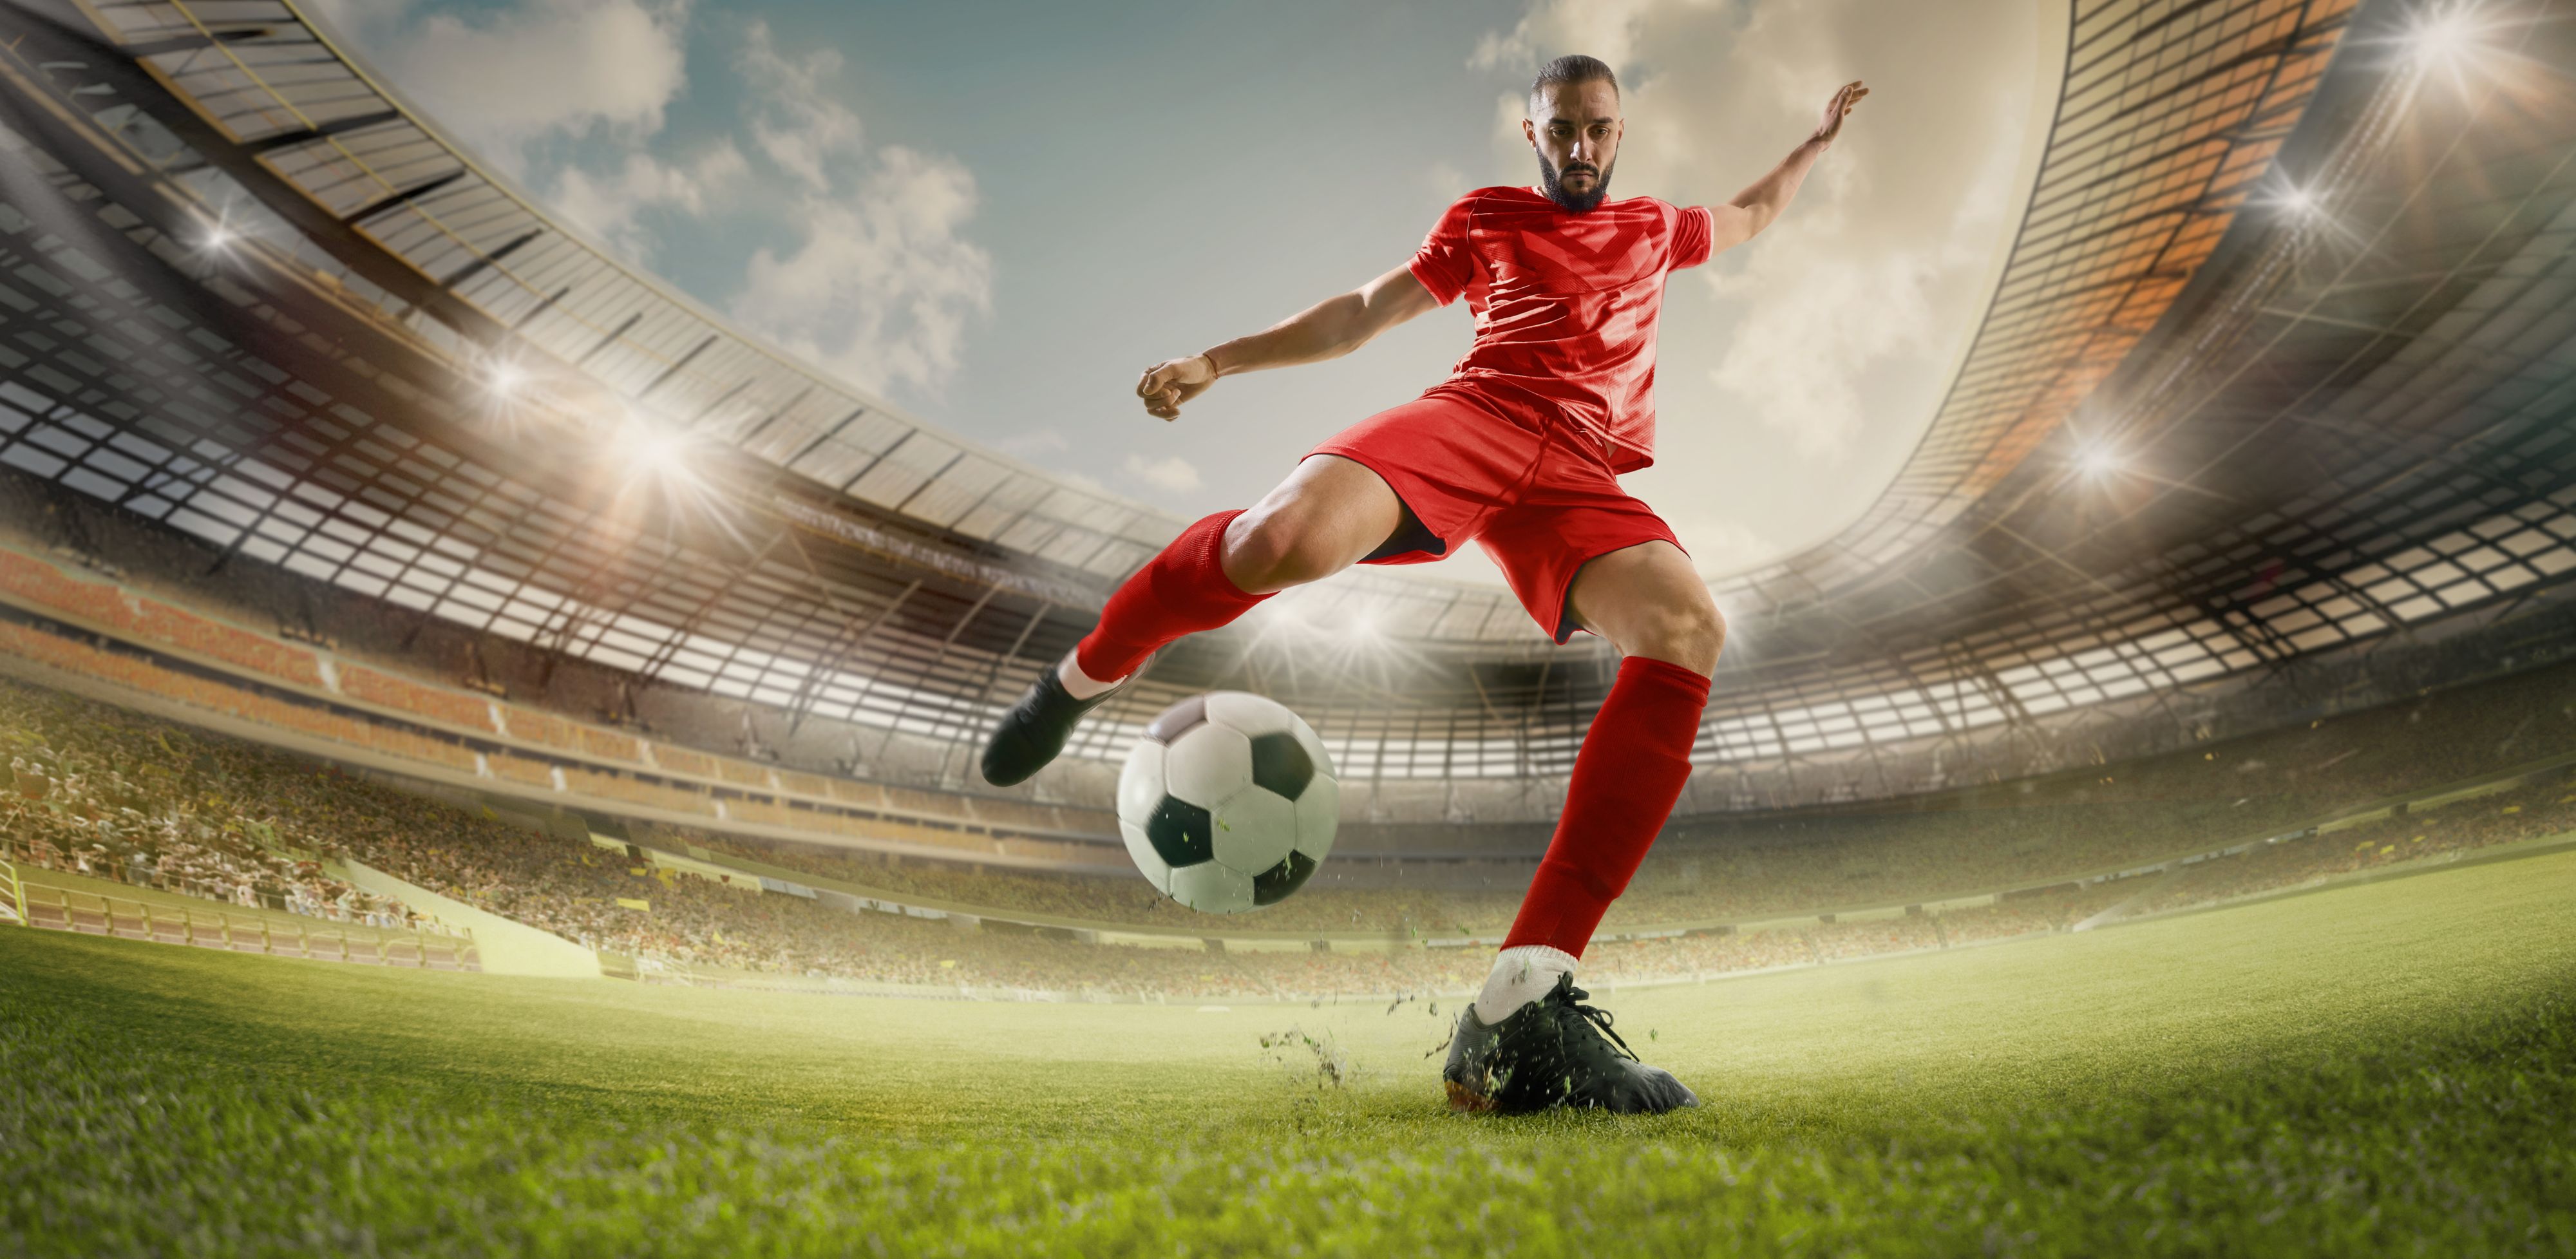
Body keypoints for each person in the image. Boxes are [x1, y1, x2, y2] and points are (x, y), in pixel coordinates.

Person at [981, 55, 1865, 1113]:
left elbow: (1755, 212)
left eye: (1598, 130)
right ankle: (1080, 679)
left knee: (1687, 625)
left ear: (1619, 135)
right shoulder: (1488, 217)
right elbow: (1362, 312)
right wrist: (1217, 362)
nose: (1581, 148)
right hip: (1477, 420)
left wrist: (1813, 145)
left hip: (1579, 474)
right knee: (1281, 541)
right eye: (1562, 130)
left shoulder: (1655, 230)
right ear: (1530, 134)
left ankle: (1521, 1002)